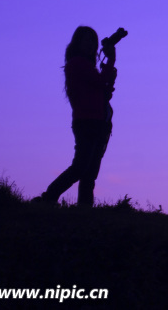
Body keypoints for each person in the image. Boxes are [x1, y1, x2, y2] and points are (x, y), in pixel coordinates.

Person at [34, 26, 117, 208]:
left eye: (92, 41)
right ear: (77, 43)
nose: (90, 44)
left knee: (89, 172)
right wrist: (111, 60)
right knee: (81, 167)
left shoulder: (86, 66)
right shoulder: (77, 64)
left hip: (98, 122)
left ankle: (84, 208)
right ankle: (49, 196)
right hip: (88, 122)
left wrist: (108, 69)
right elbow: (102, 83)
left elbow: (103, 88)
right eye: (86, 39)